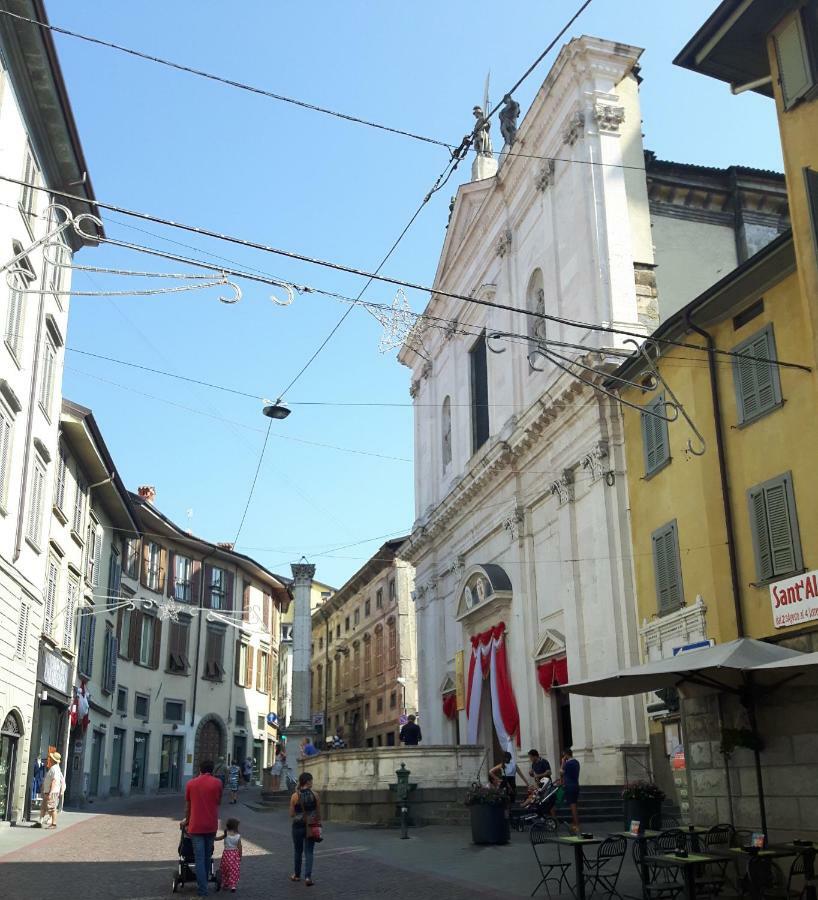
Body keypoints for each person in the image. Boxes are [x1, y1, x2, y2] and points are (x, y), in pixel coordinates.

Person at [181, 759, 223, 897]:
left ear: (200, 769)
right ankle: (204, 885)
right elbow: (219, 801)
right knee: (207, 856)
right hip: (211, 825)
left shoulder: (191, 784)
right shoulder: (217, 783)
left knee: (199, 858)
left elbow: (188, 807)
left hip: (196, 825)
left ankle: (202, 889)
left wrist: (186, 821)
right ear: (212, 770)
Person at [289, 771, 321, 886]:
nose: (312, 782)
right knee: (309, 852)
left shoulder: (294, 796)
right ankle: (308, 877)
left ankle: (297, 875)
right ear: (308, 782)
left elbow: (291, 814)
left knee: (298, 851)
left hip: (297, 826)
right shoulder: (315, 795)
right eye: (311, 780)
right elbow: (318, 813)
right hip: (311, 826)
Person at [35, 751, 64, 828]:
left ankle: (53, 824)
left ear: (53, 759)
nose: (49, 759)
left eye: (50, 758)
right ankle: (39, 822)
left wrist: (50, 792)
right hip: (48, 791)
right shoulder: (55, 768)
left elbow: (54, 781)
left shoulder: (54, 769)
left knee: (52, 808)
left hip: (51, 792)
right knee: (43, 807)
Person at [215, 817, 243, 893]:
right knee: (233, 870)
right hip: (234, 855)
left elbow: (219, 838)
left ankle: (225, 883)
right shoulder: (238, 836)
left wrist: (213, 838)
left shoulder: (226, 833)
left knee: (225, 869)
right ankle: (233, 885)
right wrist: (240, 856)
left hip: (226, 854)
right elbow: (240, 847)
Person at [561, 748, 581, 834]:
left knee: (572, 805)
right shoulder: (576, 762)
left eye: (563, 755)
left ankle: (576, 825)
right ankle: (574, 823)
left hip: (569, 786)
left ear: (566, 755)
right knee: (574, 804)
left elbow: (561, 772)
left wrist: (562, 762)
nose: (563, 757)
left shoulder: (568, 763)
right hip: (575, 785)